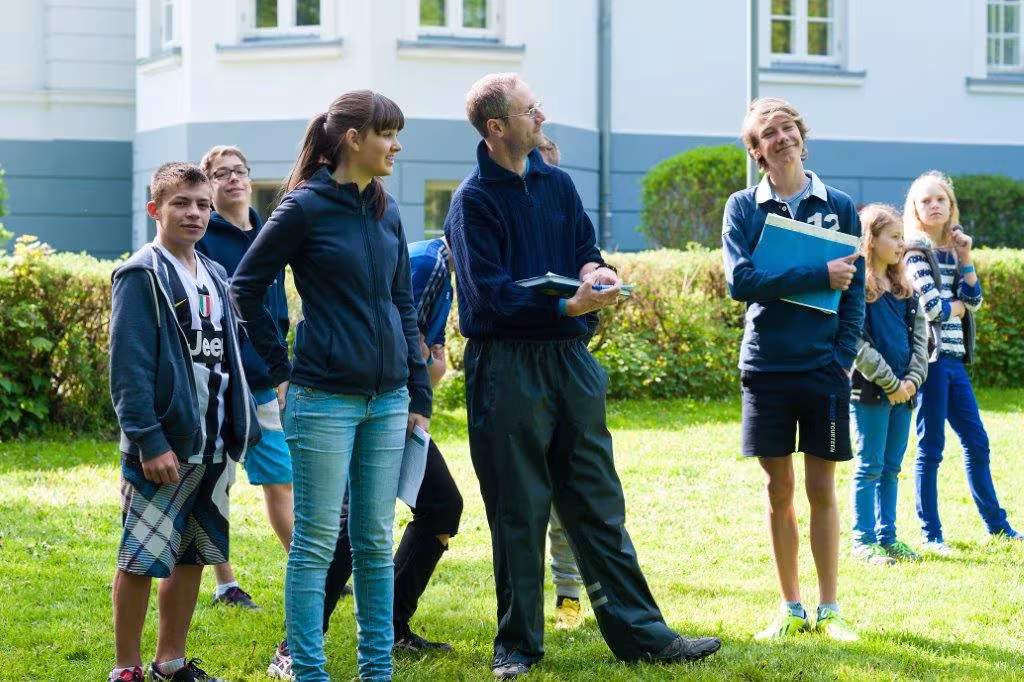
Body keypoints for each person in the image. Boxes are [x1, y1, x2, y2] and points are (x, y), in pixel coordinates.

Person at [445, 72, 721, 679]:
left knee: (598, 501)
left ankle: (642, 635)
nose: (540, 117)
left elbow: (584, 250)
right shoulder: (471, 202)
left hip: (571, 363)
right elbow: (484, 302)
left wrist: (596, 274)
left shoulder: (558, 183)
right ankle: (517, 646)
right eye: (529, 110)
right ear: (497, 127)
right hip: (508, 368)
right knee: (519, 509)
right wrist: (565, 305)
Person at [231, 90, 430, 682]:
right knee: (316, 544)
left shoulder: (386, 211)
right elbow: (244, 287)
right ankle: (310, 672)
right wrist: (278, 371)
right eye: (387, 134)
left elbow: (403, 303)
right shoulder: (303, 209)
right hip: (322, 400)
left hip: (388, 398)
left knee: (373, 543)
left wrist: (418, 393)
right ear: (352, 139)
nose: (395, 146)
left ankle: (378, 673)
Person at [108, 161, 260, 682]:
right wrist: (149, 441)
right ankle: (126, 668)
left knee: (194, 553)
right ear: (155, 209)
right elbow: (127, 371)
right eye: (181, 204)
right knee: (140, 556)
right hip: (164, 449)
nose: (194, 213)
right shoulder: (140, 273)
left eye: (201, 204)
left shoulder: (216, 274)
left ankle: (169, 662)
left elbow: (230, 357)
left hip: (215, 445)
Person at [286, 236, 464, 675]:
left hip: (396, 405)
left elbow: (432, 361)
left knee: (440, 506)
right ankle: (293, 649)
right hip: (366, 401)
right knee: (349, 528)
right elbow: (402, 337)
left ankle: (392, 625)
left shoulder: (448, 275)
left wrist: (424, 373)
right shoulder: (430, 263)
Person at [722, 97, 865, 641]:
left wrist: (842, 356)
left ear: (801, 137)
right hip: (766, 368)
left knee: (822, 489)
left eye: (787, 128)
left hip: (823, 368)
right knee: (777, 489)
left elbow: (853, 293)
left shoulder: (841, 205)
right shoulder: (743, 207)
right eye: (768, 133)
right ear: (756, 151)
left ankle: (831, 609)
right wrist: (815, 273)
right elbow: (741, 281)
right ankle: (790, 606)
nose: (781, 137)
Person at [196, 145, 293, 612]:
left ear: (250, 179)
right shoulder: (201, 239)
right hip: (216, 383)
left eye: (239, 171)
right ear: (209, 185)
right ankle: (225, 583)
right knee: (217, 481)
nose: (232, 179)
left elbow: (277, 311)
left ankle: (309, 568)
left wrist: (282, 370)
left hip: (264, 382)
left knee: (280, 477)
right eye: (220, 174)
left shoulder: (269, 233)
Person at [902, 170, 1021, 553]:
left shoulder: (955, 251)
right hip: (930, 362)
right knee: (931, 447)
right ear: (916, 210)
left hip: (953, 361)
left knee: (977, 441)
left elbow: (977, 300)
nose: (935, 205)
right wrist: (960, 304)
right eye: (926, 200)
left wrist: (966, 257)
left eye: (941, 199)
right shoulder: (913, 251)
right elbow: (933, 308)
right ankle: (931, 534)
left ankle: (997, 525)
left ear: (951, 207)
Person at [848, 204, 928, 566]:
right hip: (870, 393)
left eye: (902, 237)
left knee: (892, 467)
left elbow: (921, 340)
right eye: (894, 237)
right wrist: (890, 382)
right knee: (870, 465)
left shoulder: (905, 290)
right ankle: (863, 540)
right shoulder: (855, 289)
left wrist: (911, 380)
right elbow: (856, 344)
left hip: (905, 394)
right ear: (871, 239)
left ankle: (888, 537)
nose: (902, 244)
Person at [536, 133, 587, 631]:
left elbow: (591, 262)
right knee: (533, 498)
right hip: (522, 376)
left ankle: (571, 594)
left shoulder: (568, 214)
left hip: (569, 369)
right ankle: (541, 598)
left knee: (573, 495)